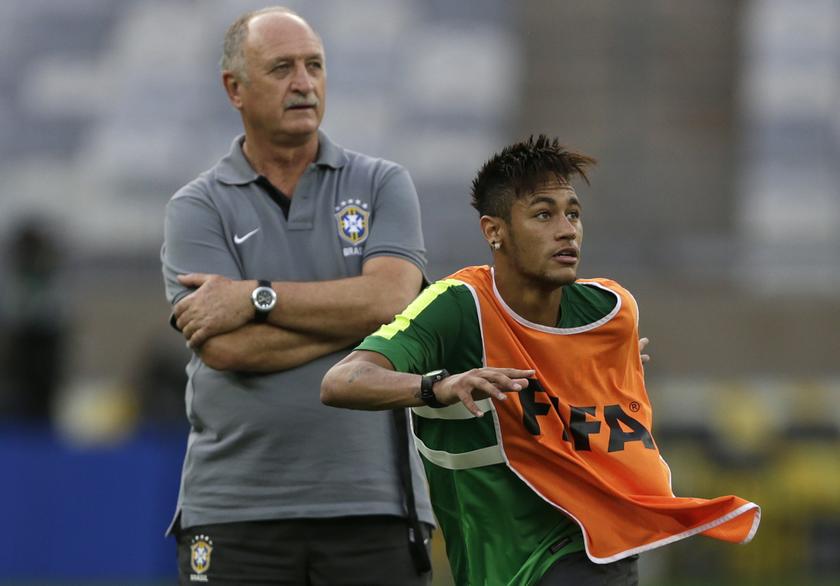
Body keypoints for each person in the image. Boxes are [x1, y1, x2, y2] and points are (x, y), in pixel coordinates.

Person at [321, 135, 761, 586]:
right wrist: (438, 386)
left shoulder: (609, 311)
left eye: (573, 213)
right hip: (497, 567)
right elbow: (343, 381)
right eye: (543, 214)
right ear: (495, 232)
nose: (567, 229)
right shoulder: (457, 307)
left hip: (588, 552)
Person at [161, 7, 433, 585]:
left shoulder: (382, 183)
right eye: (282, 68)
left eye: (315, 66)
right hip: (234, 509)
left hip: (373, 504)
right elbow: (226, 350)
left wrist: (255, 298)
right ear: (235, 88)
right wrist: (365, 320)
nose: (304, 83)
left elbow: (391, 300)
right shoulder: (197, 206)